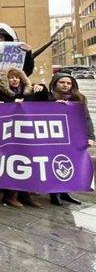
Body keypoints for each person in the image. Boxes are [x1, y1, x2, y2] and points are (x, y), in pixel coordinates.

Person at [0, 67, 47, 208]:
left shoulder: (29, 92)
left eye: (17, 77)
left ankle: (26, 195)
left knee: (29, 163)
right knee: (12, 164)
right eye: (11, 77)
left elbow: (45, 102)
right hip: (8, 136)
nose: (15, 80)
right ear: (4, 80)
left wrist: (42, 88)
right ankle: (10, 195)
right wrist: (9, 105)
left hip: (27, 134)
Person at [47, 72, 94, 206]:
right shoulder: (48, 98)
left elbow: (86, 118)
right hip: (54, 137)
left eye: (69, 83)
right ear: (55, 83)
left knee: (68, 164)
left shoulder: (79, 99)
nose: (66, 85)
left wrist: (90, 136)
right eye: (62, 82)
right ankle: (54, 193)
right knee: (53, 163)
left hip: (73, 137)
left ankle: (65, 191)